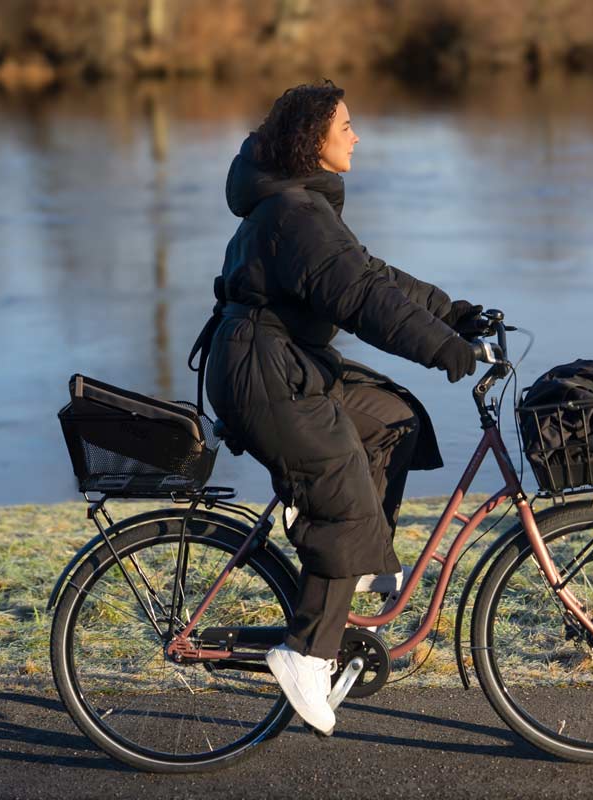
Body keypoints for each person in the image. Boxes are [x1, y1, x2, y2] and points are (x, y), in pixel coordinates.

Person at [194, 80, 484, 735]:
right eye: (345, 126)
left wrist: (452, 313)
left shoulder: (300, 207)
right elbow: (362, 301)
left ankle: (351, 561)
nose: (356, 136)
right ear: (313, 140)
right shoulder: (293, 213)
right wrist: (441, 348)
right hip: (261, 373)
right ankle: (304, 653)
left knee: (391, 418)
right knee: (343, 492)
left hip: (285, 362)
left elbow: (370, 274)